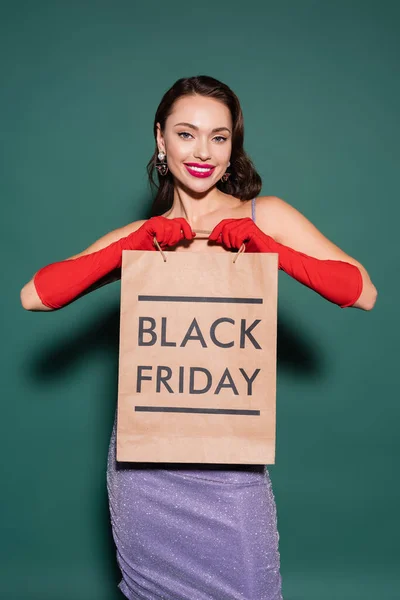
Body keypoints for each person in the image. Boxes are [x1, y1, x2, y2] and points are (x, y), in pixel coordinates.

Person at [21, 75, 377, 600]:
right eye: (186, 134)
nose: (203, 151)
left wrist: (268, 248)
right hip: (144, 471)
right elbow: (35, 294)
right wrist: (136, 243)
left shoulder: (265, 215)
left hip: (228, 464)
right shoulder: (144, 238)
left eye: (219, 136)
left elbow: (362, 291)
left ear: (234, 147)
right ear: (160, 140)